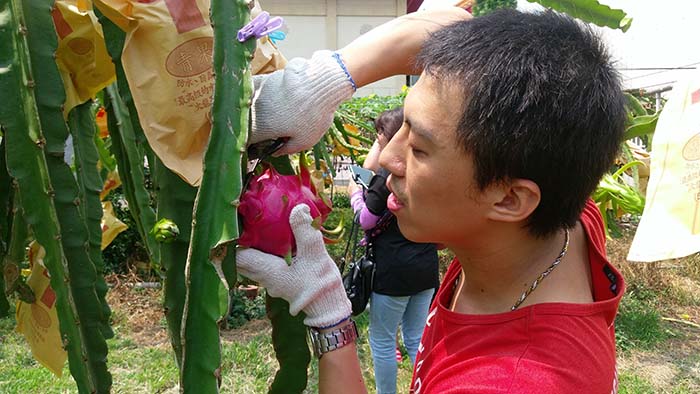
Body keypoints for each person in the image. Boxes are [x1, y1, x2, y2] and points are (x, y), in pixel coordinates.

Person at [238, 7, 627, 393]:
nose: (389, 159)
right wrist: (363, 58)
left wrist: (330, 317)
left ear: (509, 198)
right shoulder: (569, 221)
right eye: (402, 123)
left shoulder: (507, 383)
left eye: (420, 149)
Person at [347, 107, 439, 394]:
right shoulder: (429, 172)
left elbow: (366, 220)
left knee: (383, 341)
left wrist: (353, 194)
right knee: (415, 338)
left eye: (381, 134)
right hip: (425, 267)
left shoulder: (388, 178)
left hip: (393, 273)